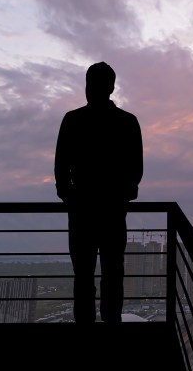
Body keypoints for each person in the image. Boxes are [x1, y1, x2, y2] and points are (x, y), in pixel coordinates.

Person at [54, 61, 143, 323]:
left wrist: (70, 196)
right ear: (112, 87)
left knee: (84, 276)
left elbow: (61, 169)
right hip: (113, 211)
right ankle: (111, 327)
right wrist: (121, 196)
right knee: (112, 274)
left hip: (82, 211)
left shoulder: (73, 120)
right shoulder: (127, 122)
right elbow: (135, 171)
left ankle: (87, 329)